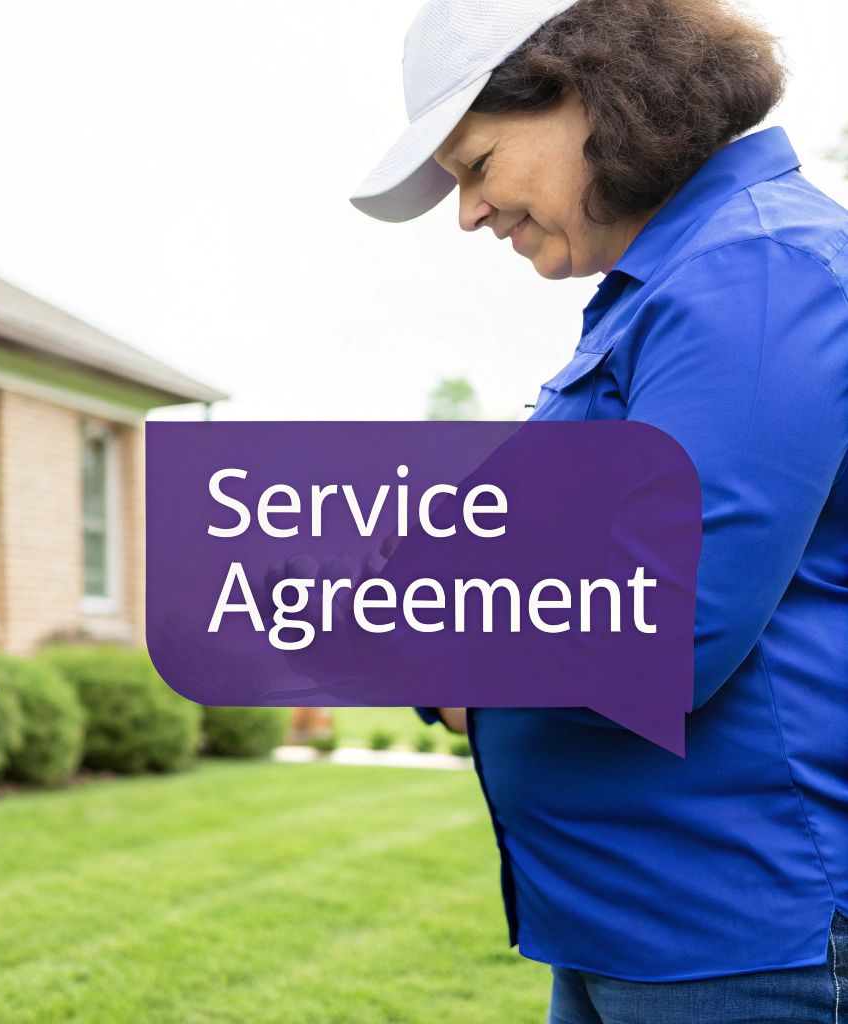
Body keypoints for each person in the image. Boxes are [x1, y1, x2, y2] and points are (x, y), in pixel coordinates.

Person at [353, 0, 848, 1020]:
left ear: (592, 96)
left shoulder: (754, 273)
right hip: (629, 920)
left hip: (736, 935)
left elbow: (657, 631)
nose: (468, 213)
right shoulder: (668, 289)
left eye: (475, 164)